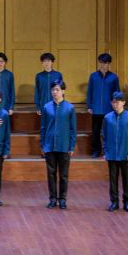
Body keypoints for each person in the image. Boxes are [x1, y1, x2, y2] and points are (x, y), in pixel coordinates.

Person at [40, 81, 76, 209]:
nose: (55, 92)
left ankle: (62, 199)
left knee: (63, 175)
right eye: (53, 90)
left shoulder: (70, 108)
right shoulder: (46, 107)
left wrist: (71, 146)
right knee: (51, 174)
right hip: (49, 146)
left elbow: (73, 129)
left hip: (64, 146)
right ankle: (52, 198)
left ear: (63, 91)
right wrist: (43, 145)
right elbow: (43, 128)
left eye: (57, 89)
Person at [102, 92, 128, 212]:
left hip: (125, 154)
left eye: (117, 102)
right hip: (112, 154)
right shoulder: (107, 118)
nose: (115, 104)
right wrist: (105, 151)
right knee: (113, 180)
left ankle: (127, 202)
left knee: (126, 179)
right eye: (113, 102)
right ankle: (114, 202)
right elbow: (104, 136)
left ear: (123, 103)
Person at [86, 53, 119, 157]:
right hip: (96, 109)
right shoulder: (93, 76)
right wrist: (89, 106)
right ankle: (96, 150)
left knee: (109, 131)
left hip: (109, 109)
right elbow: (90, 91)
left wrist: (116, 106)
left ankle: (109, 150)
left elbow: (117, 93)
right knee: (95, 132)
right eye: (101, 62)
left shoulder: (114, 77)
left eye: (105, 63)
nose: (103, 65)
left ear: (109, 64)